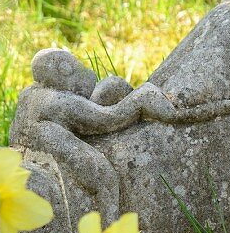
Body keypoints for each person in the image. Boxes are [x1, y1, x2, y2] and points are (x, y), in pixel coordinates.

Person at [10, 49, 178, 224]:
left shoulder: (30, 93)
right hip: (54, 151)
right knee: (105, 180)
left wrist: (115, 87)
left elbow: (88, 103)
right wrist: (142, 98)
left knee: (114, 85)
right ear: (64, 71)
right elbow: (108, 119)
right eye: (74, 67)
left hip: (26, 150)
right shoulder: (60, 101)